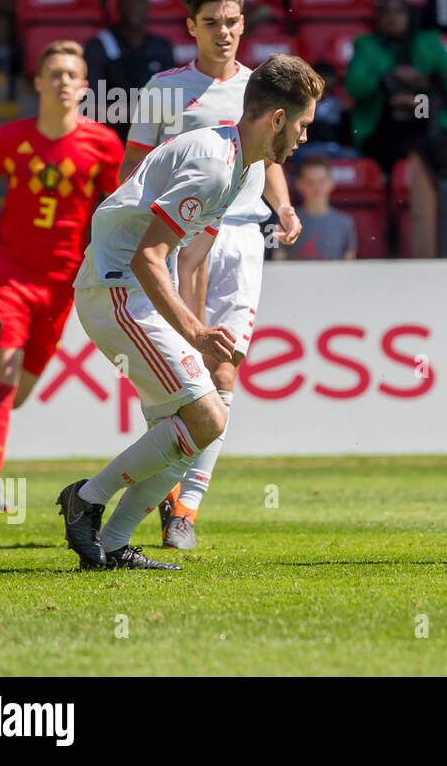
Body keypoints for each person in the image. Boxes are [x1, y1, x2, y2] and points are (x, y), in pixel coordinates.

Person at [57, 55, 322, 570]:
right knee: (206, 418)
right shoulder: (213, 164)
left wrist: (192, 331)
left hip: (130, 288)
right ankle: (85, 500)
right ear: (277, 120)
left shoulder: (236, 162)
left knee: (197, 428)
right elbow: (149, 256)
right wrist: (194, 329)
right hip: (118, 288)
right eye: (304, 124)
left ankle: (111, 545)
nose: (305, 137)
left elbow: (191, 250)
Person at [120, 0, 303, 551]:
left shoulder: (260, 87)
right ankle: (162, 492)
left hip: (243, 239)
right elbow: (134, 171)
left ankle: (185, 508)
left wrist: (286, 206)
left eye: (232, 21)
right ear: (191, 26)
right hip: (180, 242)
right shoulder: (164, 89)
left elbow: (271, 156)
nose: (223, 32)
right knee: (183, 378)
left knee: (224, 372)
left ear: (243, 22)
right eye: (211, 23)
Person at [0, 41, 123, 512]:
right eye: (54, 74)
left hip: (63, 281)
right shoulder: (11, 137)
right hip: (9, 270)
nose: (63, 82)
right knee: (6, 372)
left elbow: (113, 209)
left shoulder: (104, 143)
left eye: (72, 74)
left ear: (85, 86)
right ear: (38, 82)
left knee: (19, 392)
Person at [344, 0, 447, 175]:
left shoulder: (429, 42)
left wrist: (423, 84)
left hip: (424, 113)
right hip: (384, 119)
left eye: (399, 12)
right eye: (386, 12)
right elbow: (354, 86)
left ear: (409, 15)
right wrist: (387, 77)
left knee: (433, 146)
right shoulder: (366, 45)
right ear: (378, 17)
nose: (393, 18)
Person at [83, 0, 176, 143]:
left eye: (139, 0)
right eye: (128, 1)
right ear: (118, 7)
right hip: (114, 139)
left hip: (155, 139)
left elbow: (171, 106)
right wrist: (142, 113)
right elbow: (90, 109)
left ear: (148, 6)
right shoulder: (100, 46)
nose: (134, 7)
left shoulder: (162, 46)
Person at [272, 154, 357, 260]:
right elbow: (277, 263)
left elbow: (349, 266)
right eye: (310, 182)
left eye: (321, 181)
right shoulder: (285, 220)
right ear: (299, 184)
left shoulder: (345, 223)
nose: (316, 187)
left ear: (331, 182)